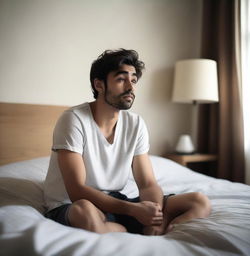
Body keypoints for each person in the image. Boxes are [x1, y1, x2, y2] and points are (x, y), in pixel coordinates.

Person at [43, 49, 211, 235]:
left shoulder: (135, 124)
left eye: (133, 80)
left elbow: (147, 183)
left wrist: (154, 216)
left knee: (199, 201)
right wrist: (132, 210)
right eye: (121, 79)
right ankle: (123, 230)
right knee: (86, 213)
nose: (130, 87)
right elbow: (77, 190)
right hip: (73, 204)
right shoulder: (74, 119)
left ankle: (155, 230)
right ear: (99, 85)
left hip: (116, 201)